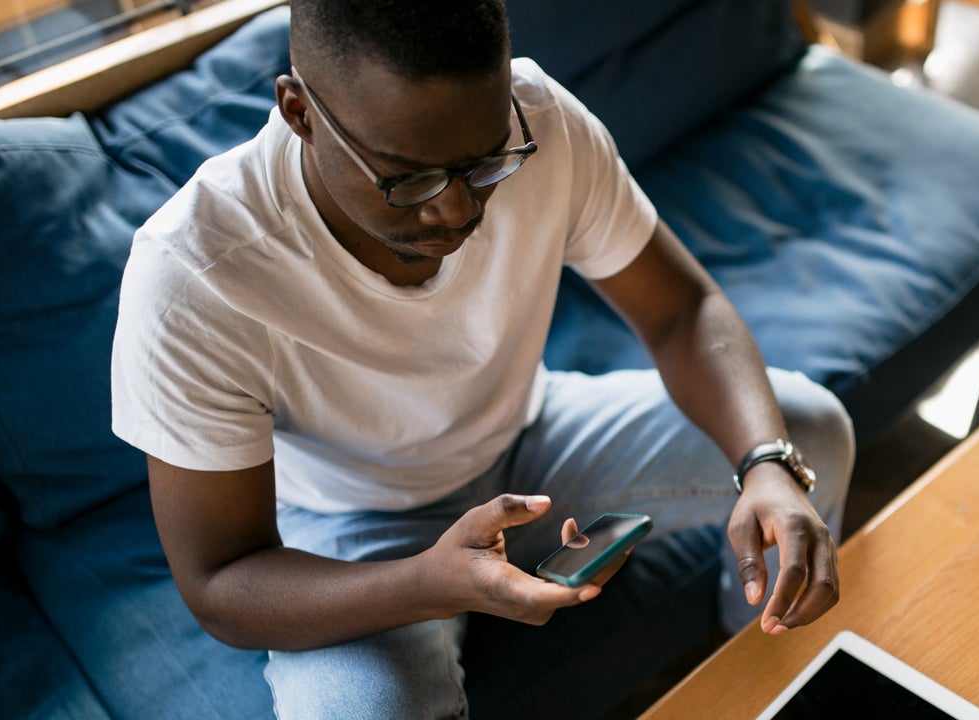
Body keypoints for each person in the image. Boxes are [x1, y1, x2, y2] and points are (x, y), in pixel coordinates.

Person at [110, 0, 854, 717]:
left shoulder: (545, 121)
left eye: (487, 162)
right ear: (299, 113)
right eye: (409, 179)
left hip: (530, 437)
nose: (459, 211)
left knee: (806, 430)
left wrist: (764, 464)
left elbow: (681, 310)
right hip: (351, 526)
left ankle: (765, 681)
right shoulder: (195, 276)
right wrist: (427, 584)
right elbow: (221, 582)